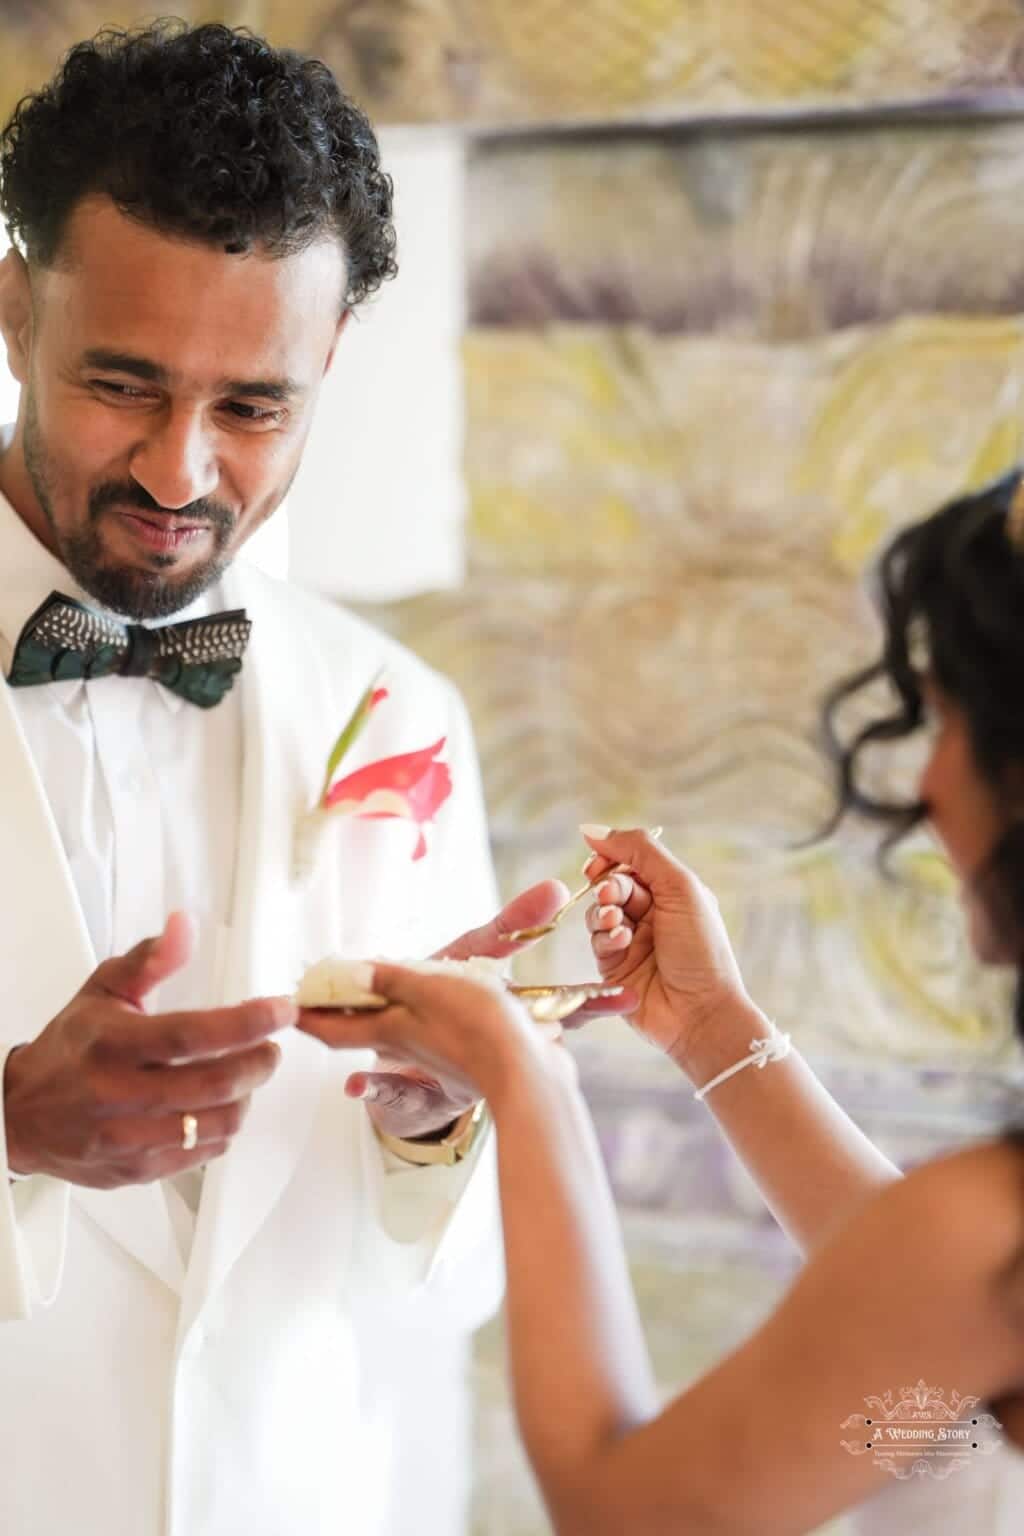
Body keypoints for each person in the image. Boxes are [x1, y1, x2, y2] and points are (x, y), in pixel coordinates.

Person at [0, 20, 596, 1536]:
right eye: (121, 385)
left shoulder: (404, 709)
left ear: (328, 363)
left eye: (255, 407)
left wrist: (440, 1120)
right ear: (13, 310)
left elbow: (447, 1285)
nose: (181, 472)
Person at [303, 471, 1024, 1534]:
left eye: (956, 724)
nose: (925, 782)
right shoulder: (973, 1254)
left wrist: (529, 1076)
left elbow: (615, 1508)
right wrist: (704, 1020)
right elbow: (920, 1284)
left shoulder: (985, 1238)